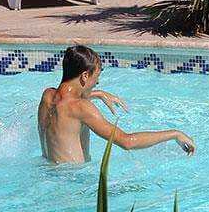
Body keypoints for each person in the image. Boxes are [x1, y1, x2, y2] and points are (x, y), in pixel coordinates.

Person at [37, 45, 195, 165]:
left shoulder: (48, 96)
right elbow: (127, 142)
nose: (97, 82)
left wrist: (97, 93)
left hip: (52, 173)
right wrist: (175, 134)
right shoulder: (82, 108)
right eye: (96, 77)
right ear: (85, 76)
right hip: (75, 182)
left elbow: (67, 103)